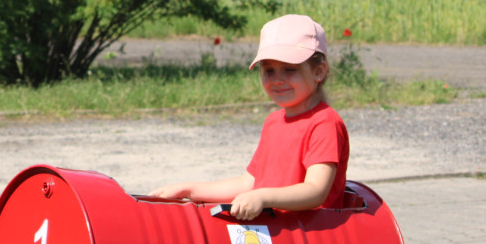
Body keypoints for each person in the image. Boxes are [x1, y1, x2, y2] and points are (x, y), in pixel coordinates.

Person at [149, 14, 349, 220]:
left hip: (313, 237)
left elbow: (316, 190)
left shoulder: (324, 123)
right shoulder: (274, 122)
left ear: (319, 71)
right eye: (269, 70)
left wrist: (262, 197)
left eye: (290, 69)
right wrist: (188, 190)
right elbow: (249, 183)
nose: (277, 79)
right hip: (277, 232)